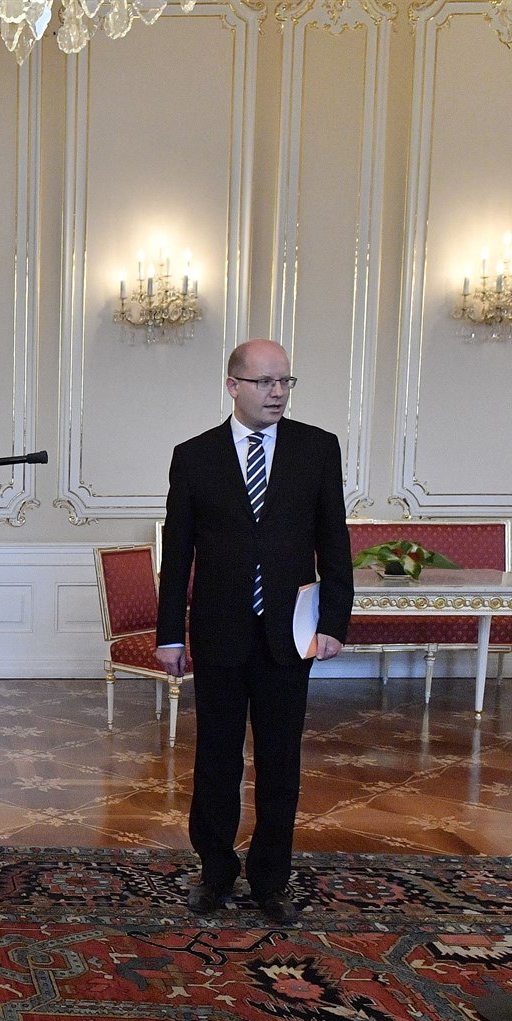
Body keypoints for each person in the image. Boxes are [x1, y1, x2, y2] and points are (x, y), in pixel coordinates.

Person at [154, 338, 352, 926]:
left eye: (285, 381)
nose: (278, 392)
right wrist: (170, 633)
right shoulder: (195, 456)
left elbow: (334, 542)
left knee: (280, 763)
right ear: (232, 386)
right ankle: (215, 873)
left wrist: (334, 623)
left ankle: (271, 880)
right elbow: (178, 552)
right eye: (265, 382)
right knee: (216, 761)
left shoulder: (317, 449)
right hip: (219, 633)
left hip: (290, 636)